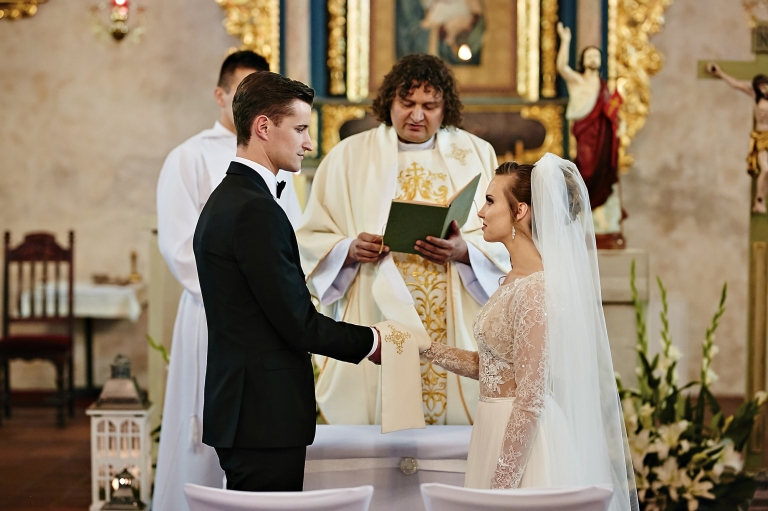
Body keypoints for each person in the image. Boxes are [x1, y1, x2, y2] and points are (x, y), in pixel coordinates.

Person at [193, 71, 402, 492]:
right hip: (263, 415)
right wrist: (373, 342)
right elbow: (298, 323)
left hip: (251, 412)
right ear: (263, 127)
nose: (308, 143)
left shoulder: (232, 198)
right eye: (301, 128)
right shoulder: (254, 209)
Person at [296, 54, 509, 427]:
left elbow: (507, 234)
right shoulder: (348, 156)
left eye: (430, 106)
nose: (417, 115)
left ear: (446, 108)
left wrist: (465, 251)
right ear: (389, 102)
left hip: (455, 307)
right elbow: (311, 236)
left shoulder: (477, 153)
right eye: (407, 103)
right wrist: (348, 249)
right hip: (374, 303)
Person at [418, 154, 637, 510]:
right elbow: (492, 367)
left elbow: (530, 399)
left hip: (523, 444)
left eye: (490, 201)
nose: (481, 213)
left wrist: (501, 488)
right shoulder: (514, 279)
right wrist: (424, 348)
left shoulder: (535, 287)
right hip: (493, 427)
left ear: (519, 211)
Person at [153, 51, 301, 510]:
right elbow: (180, 246)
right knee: (204, 427)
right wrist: (246, 295)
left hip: (268, 316)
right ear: (221, 95)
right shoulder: (188, 156)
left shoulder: (278, 156)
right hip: (213, 309)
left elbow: (292, 237)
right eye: (243, 92)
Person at [556, 22, 622, 212]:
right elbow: (562, 67)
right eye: (589, 56)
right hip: (585, 131)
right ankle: (581, 202)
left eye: (596, 56)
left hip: (602, 134)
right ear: (583, 61)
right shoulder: (578, 80)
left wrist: (620, 123)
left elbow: (611, 110)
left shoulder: (604, 86)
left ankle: (595, 206)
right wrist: (565, 40)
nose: (593, 59)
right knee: (585, 168)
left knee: (601, 170)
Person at [707, 63, 768, 213]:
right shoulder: (755, 96)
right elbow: (736, 84)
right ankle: (759, 200)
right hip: (761, 137)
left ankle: (761, 202)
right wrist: (720, 73)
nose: (764, 89)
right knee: (766, 170)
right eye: (761, 87)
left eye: (766, 85)